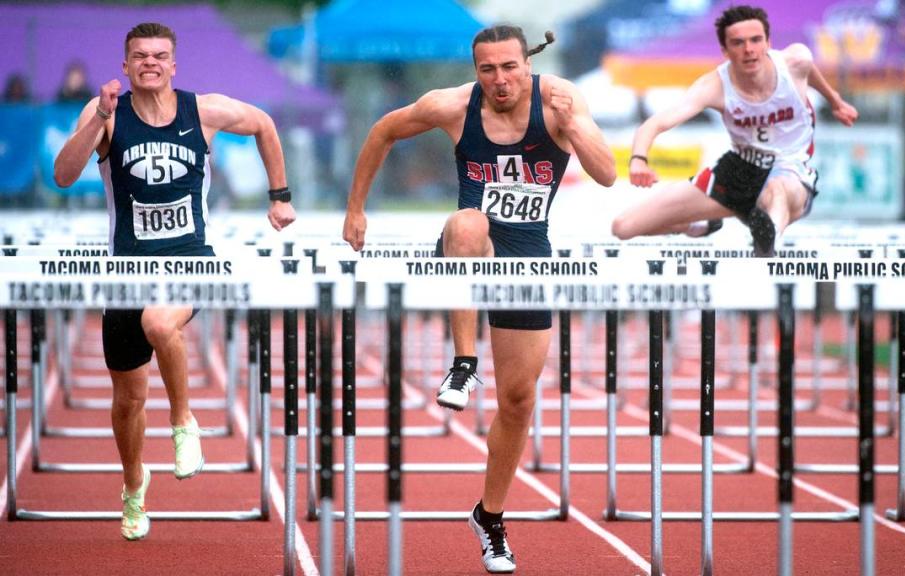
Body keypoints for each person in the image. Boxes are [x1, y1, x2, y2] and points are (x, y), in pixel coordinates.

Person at [342, 24, 616, 573]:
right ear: (476, 71)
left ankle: (490, 515)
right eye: (487, 69)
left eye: (509, 67)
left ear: (527, 66)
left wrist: (572, 123)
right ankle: (464, 363)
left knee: (518, 401)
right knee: (466, 223)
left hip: (529, 252)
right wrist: (356, 208)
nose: (500, 79)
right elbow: (381, 132)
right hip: (472, 240)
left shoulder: (561, 100)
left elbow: (607, 174)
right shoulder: (452, 106)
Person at [53, 22, 296, 541]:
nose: (150, 63)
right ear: (125, 65)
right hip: (125, 269)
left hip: (191, 260)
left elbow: (264, 125)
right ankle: (133, 486)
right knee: (128, 402)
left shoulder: (202, 111)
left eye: (160, 55)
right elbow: (64, 175)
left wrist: (280, 195)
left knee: (162, 323)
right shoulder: (106, 116)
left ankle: (184, 423)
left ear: (174, 64)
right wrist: (97, 117)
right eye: (140, 56)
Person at [610, 4, 859, 256]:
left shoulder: (796, 61)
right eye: (738, 43)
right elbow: (654, 124)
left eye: (755, 40)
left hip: (790, 169)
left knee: (776, 190)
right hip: (739, 172)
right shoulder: (713, 86)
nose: (749, 50)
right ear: (725, 50)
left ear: (768, 43)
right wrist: (638, 160)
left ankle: (767, 238)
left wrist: (835, 101)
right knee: (623, 227)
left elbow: (809, 72)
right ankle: (701, 224)